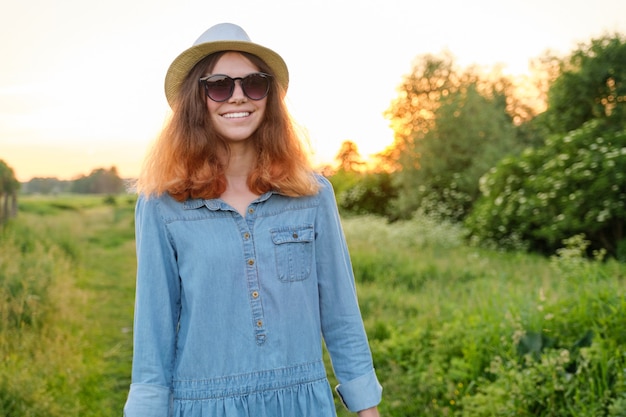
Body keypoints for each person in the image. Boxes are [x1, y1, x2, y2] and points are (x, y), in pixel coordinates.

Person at [123, 22, 382, 417]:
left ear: (269, 97)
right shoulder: (161, 205)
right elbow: (153, 332)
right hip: (204, 405)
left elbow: (341, 313)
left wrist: (366, 407)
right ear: (198, 98)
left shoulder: (312, 195)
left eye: (254, 83)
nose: (238, 97)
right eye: (220, 85)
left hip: (302, 403)